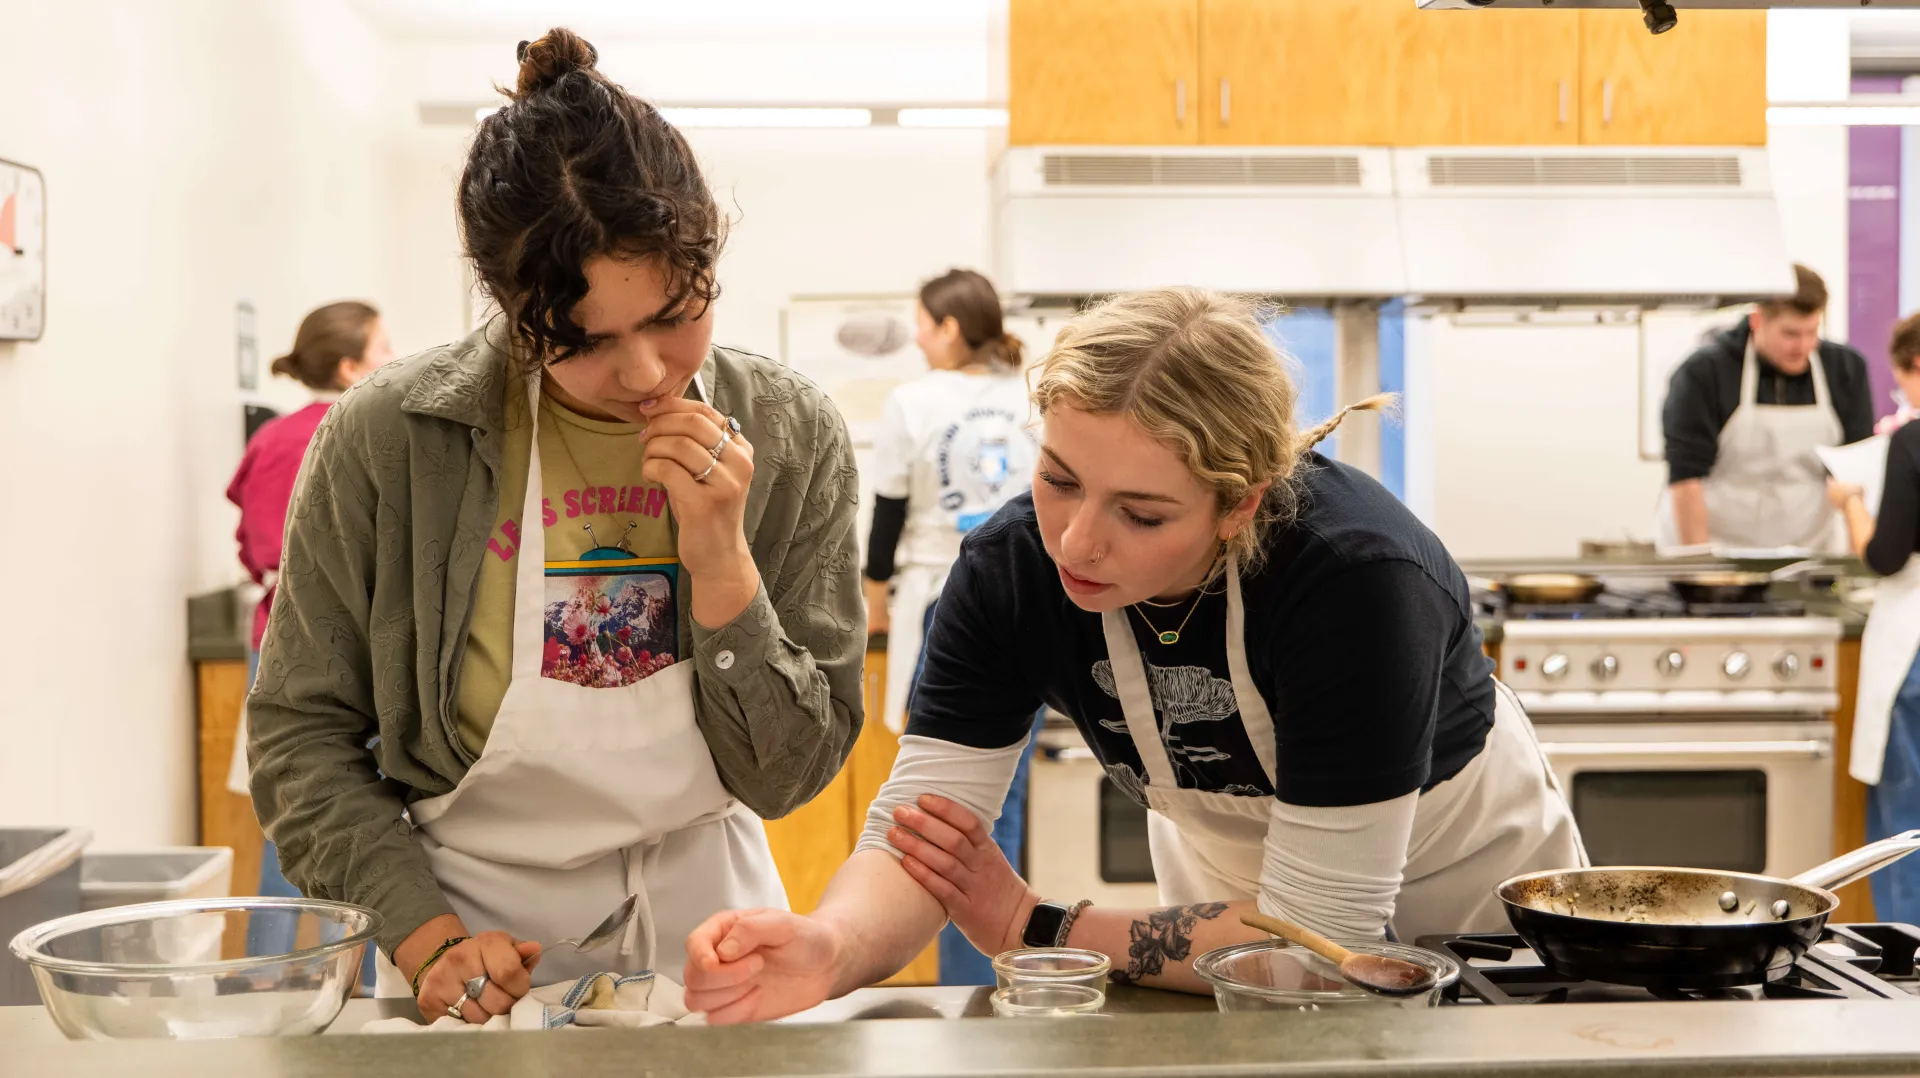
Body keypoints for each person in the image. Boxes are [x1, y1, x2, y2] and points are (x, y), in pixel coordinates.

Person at [680, 288, 1585, 1022]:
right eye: (1059, 480)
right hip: (1224, 903)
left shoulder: (1356, 582)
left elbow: (1316, 941)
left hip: (1463, 893)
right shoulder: (1010, 573)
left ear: (1240, 505)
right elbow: (922, 840)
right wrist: (830, 950)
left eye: (1142, 514)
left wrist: (1036, 925)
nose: (1075, 543)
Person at [247, 28, 864, 1025]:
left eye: (676, 313)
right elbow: (300, 730)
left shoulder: (791, 432)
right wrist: (426, 935)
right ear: (509, 308)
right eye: (583, 343)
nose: (645, 373)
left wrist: (719, 557)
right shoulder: (392, 438)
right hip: (477, 940)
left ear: (710, 258)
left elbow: (789, 774)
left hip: (716, 934)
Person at [863, 268, 1041, 986]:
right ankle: (1002, 975)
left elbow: (887, 516)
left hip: (949, 602)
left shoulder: (913, 402)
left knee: (945, 808)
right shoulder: (1027, 394)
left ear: (950, 327)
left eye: (921, 322)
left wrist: (873, 598)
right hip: (1038, 601)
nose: (914, 335)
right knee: (1004, 802)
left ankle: (968, 985)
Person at [225, 300, 394, 970]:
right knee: (368, 816)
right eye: (384, 349)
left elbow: (254, 546)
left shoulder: (271, 439)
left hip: (277, 642)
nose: (394, 361)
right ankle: (349, 978)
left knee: (284, 812)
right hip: (364, 647)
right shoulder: (372, 432)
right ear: (352, 366)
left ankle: (265, 978)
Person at [1660, 264, 1874, 550]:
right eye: (1791, 334)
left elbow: (1852, 472)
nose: (1804, 345)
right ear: (1757, 320)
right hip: (1719, 548)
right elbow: (1686, 481)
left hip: (1810, 549)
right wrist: (1701, 571)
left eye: (1812, 332)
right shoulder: (1704, 372)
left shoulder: (1845, 369)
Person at [1828, 311, 1920, 926]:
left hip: (1913, 642)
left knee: (1906, 815)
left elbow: (1886, 556)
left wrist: (1851, 499)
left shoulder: (1910, 441)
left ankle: (1907, 957)